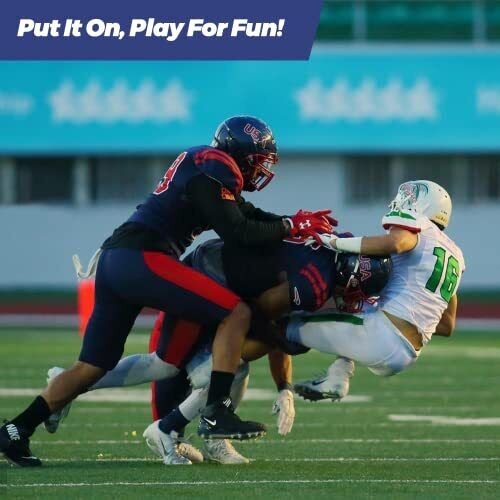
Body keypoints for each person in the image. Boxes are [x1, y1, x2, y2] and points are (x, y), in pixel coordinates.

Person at [0, 116, 334, 467]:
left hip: (120, 260)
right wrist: (289, 226)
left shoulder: (208, 165)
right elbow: (240, 232)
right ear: (239, 152)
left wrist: (295, 223)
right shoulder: (216, 165)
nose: (261, 169)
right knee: (237, 313)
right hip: (143, 257)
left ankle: (16, 430)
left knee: (92, 367)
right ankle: (217, 412)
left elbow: (249, 215)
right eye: (258, 160)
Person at [42, 237, 391, 464]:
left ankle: (192, 430)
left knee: (224, 363)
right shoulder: (315, 280)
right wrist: (283, 362)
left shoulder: (328, 263)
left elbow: (277, 322)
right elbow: (268, 319)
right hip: (210, 283)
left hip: (226, 293)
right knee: (172, 365)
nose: (349, 301)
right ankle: (172, 427)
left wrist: (284, 385)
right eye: (351, 293)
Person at [292, 180, 465, 401]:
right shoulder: (454, 255)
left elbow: (396, 243)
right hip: (406, 355)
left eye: (410, 198)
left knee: (288, 324)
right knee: (359, 308)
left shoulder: (419, 226)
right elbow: (447, 325)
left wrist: (334, 243)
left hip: (382, 335)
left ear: (425, 205)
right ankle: (337, 376)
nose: (403, 201)